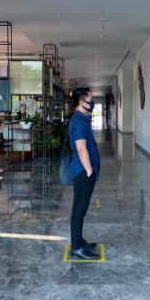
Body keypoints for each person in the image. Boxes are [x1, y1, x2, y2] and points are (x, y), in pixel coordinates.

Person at [68, 87, 101, 260]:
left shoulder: (81, 119)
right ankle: (76, 247)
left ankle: (79, 241)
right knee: (79, 209)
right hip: (83, 171)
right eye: (90, 100)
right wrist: (89, 171)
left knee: (81, 207)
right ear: (82, 103)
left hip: (83, 170)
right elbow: (81, 149)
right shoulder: (80, 121)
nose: (92, 103)